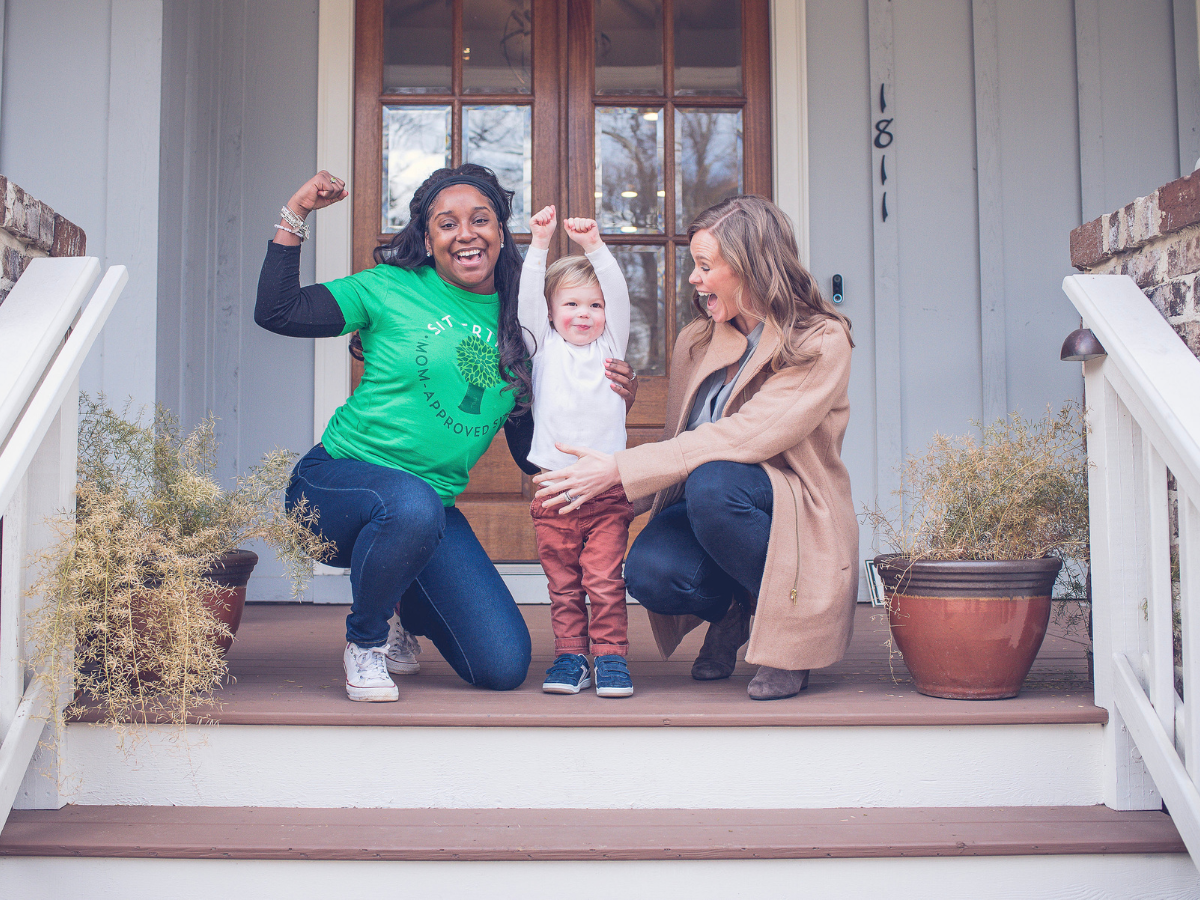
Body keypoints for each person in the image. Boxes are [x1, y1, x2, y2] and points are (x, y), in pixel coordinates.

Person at [254, 164, 636, 702]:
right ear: (427, 238)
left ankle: (403, 598)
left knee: (502, 665)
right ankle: (367, 641)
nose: (466, 233)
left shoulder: (523, 324)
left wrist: (607, 396)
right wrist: (297, 212)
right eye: (447, 223)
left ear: (501, 234)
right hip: (334, 487)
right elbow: (277, 310)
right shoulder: (389, 287)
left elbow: (531, 455)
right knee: (409, 503)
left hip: (429, 511)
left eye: (480, 220)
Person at [532, 195, 858, 701]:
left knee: (715, 482)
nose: (693, 279)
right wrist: (596, 490)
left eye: (705, 266)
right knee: (649, 572)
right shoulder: (698, 339)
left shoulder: (820, 340)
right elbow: (677, 443)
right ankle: (736, 611)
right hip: (706, 502)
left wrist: (619, 469)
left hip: (787, 505)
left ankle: (787, 644)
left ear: (752, 267)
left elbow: (748, 434)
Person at [519, 206, 636, 698]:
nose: (583, 315)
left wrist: (595, 247)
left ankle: (610, 659)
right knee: (564, 587)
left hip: (607, 495)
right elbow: (526, 299)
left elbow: (619, 292)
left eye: (593, 305)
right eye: (571, 305)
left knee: (605, 584)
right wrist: (540, 242)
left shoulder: (611, 346)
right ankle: (570, 657)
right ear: (550, 313)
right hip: (553, 494)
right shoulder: (542, 347)